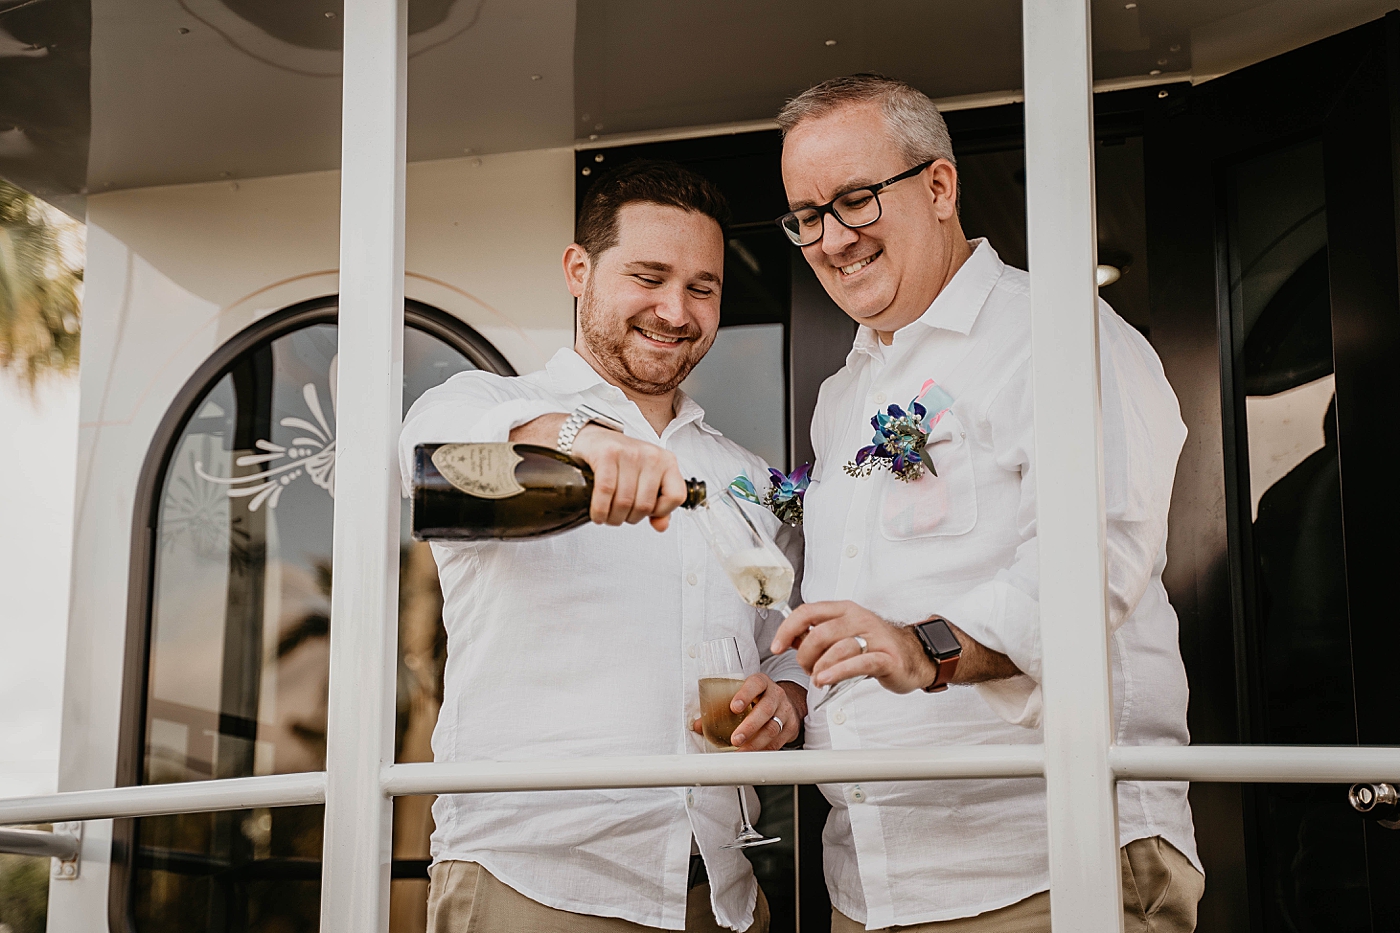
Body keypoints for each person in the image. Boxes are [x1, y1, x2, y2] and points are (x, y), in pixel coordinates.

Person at [767, 75, 1204, 932]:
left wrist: (924, 647)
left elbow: (1096, 562)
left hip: (1047, 866)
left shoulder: (1060, 334)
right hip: (868, 884)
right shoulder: (840, 396)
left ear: (939, 186)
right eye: (807, 216)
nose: (832, 239)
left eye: (854, 200)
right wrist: (787, 686)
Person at [398, 159, 806, 933]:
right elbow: (428, 451)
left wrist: (786, 700)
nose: (675, 310)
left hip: (719, 894)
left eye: (702, 287)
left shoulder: (746, 475)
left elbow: (785, 646)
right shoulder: (490, 405)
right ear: (578, 271)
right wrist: (578, 439)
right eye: (649, 277)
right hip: (535, 887)